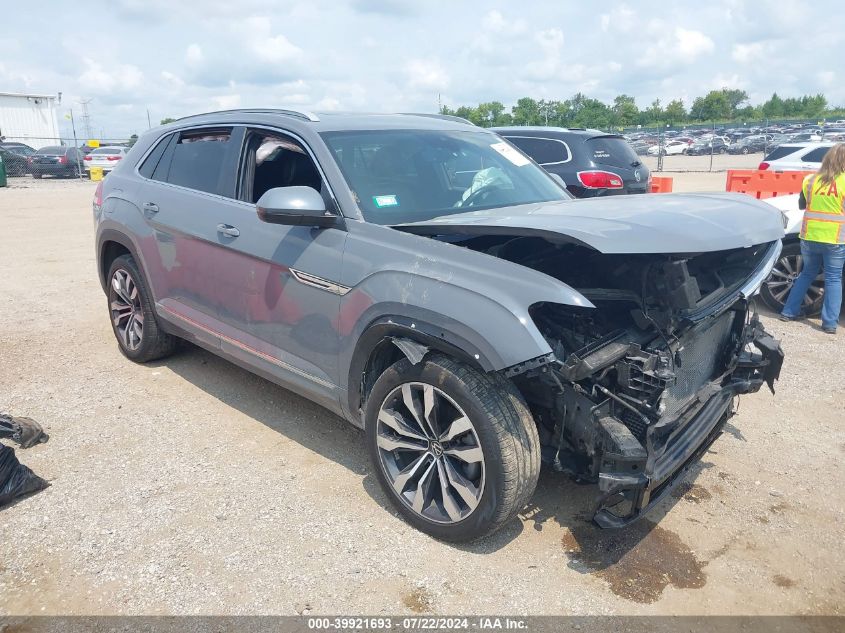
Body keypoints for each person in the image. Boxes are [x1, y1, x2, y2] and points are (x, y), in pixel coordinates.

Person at [780, 143, 845, 333]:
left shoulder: (810, 180)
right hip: (835, 239)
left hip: (809, 236)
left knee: (807, 273)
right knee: (833, 279)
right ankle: (829, 323)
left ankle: (788, 312)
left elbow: (802, 205)